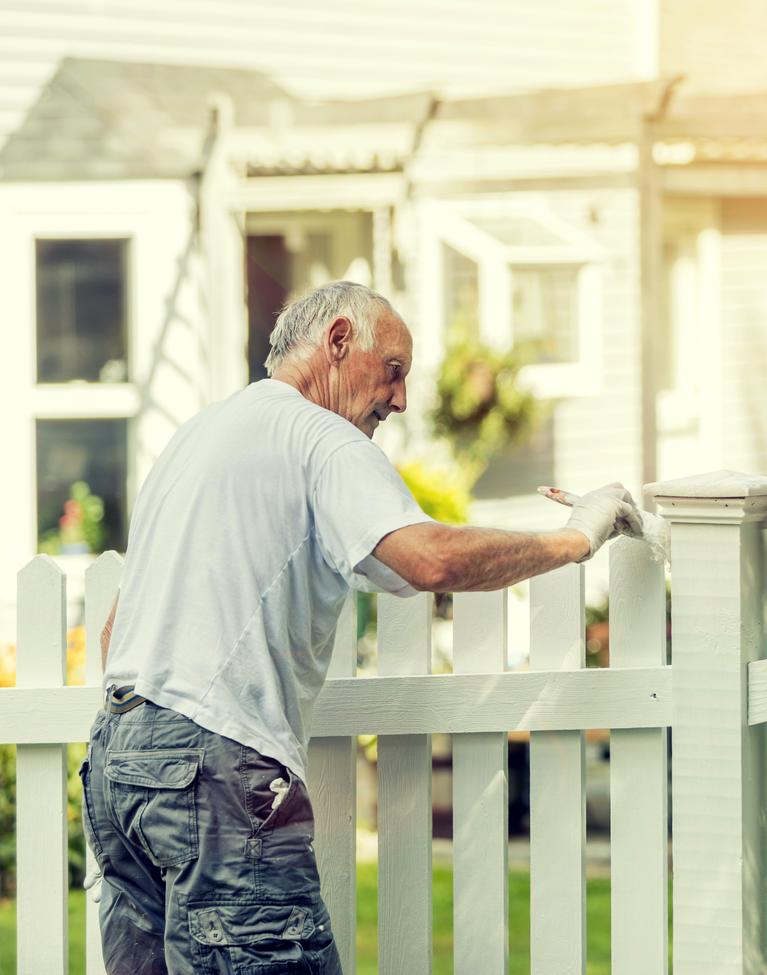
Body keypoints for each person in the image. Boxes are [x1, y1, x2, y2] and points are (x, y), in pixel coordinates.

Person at [81, 280, 640, 973]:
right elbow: (429, 559)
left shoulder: (196, 438)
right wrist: (575, 539)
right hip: (213, 765)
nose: (399, 400)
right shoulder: (320, 435)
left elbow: (115, 630)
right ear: (339, 341)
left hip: (117, 760)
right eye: (394, 370)